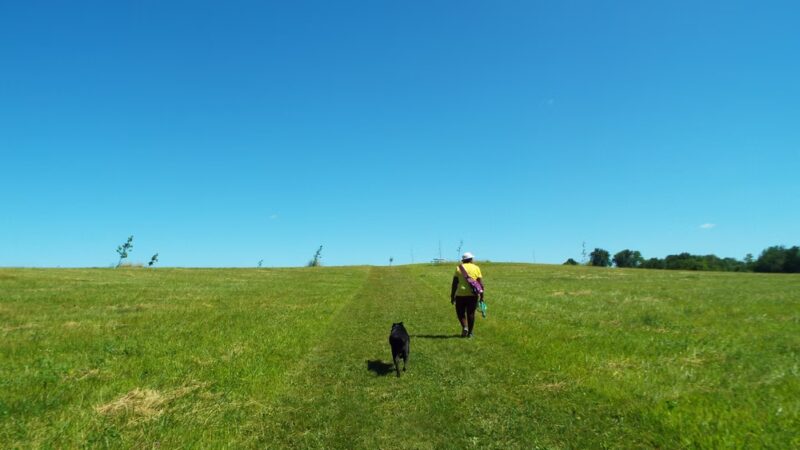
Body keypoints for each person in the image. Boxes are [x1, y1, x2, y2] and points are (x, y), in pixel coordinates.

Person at [450, 252, 484, 338]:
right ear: (471, 259)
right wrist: (482, 296)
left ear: (463, 260)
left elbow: (454, 283)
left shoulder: (459, 268)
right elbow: (480, 284)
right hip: (473, 295)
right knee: (471, 313)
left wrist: (452, 295)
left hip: (460, 295)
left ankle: (465, 327)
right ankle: (470, 333)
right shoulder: (476, 268)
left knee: (460, 312)